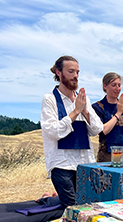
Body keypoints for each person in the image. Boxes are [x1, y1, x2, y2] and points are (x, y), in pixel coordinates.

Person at [40, 56, 103, 207]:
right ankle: (48, 199)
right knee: (73, 206)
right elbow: (53, 131)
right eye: (71, 71)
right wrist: (76, 111)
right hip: (62, 164)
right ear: (59, 73)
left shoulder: (83, 99)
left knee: (88, 204)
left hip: (84, 163)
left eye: (77, 72)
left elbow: (97, 129)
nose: (75, 76)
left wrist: (85, 112)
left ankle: (49, 198)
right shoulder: (50, 99)